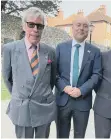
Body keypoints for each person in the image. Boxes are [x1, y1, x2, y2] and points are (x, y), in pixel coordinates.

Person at [2, 7, 56, 138]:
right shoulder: (10, 49)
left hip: (44, 107)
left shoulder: (50, 51)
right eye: (31, 24)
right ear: (23, 25)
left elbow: (52, 79)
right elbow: (7, 78)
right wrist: (20, 96)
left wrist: (41, 94)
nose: (35, 30)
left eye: (39, 26)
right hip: (22, 108)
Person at [55, 16, 102, 138]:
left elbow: (96, 74)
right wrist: (64, 87)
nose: (81, 28)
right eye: (78, 25)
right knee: (61, 135)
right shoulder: (60, 48)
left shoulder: (95, 51)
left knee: (79, 135)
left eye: (85, 26)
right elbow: (54, 73)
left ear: (88, 30)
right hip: (62, 100)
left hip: (83, 101)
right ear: (72, 28)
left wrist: (82, 90)